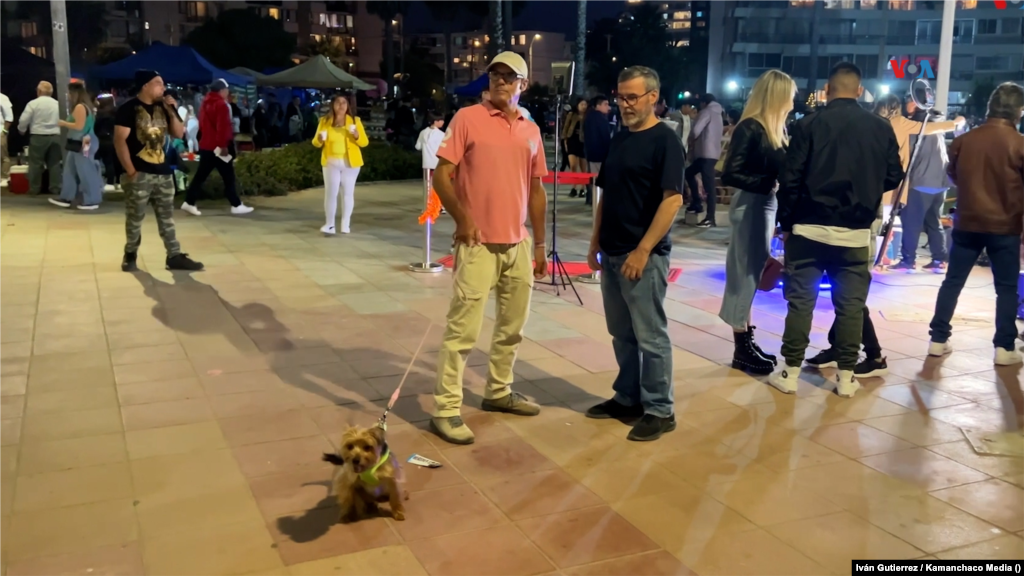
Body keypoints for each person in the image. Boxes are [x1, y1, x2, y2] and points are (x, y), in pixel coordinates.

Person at [429, 51, 549, 445]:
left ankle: (498, 391)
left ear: (523, 84)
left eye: (509, 76)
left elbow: (536, 190)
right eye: (494, 74)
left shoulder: (531, 131)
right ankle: (446, 408)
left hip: (517, 243)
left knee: (511, 328)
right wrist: (464, 220)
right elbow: (442, 175)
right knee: (462, 331)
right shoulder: (467, 119)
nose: (499, 81)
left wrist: (540, 244)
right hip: (478, 243)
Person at [772, 62, 904, 398]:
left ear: (827, 91)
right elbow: (893, 176)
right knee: (849, 305)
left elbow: (790, 181)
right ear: (859, 91)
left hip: (808, 229)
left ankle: (789, 372)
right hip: (856, 232)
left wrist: (785, 224)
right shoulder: (879, 127)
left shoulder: (807, 125)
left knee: (801, 303)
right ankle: (846, 376)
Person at [583, 66, 685, 442]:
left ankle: (660, 409)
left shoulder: (666, 141)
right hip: (611, 252)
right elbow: (606, 194)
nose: (623, 105)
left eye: (632, 97)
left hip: (643, 256)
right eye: (620, 97)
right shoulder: (620, 139)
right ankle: (627, 397)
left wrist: (643, 250)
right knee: (621, 333)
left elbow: (672, 200)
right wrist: (595, 242)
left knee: (650, 336)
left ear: (652, 97)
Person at [928, 82, 1024, 366]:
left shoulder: (964, 140)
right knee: (1006, 288)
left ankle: (938, 339)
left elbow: (954, 174)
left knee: (953, 282)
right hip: (1005, 226)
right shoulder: (1019, 144)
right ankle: (1004, 347)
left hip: (967, 221)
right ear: (1018, 111)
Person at [719, 70, 796, 376]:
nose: (794, 99)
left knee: (751, 272)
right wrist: (768, 183)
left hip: (763, 203)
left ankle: (746, 341)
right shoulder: (751, 128)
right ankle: (742, 346)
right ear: (777, 95)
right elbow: (729, 174)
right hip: (752, 204)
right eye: (789, 93)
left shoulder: (773, 128)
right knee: (746, 274)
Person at [114, 70, 203, 273]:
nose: (163, 87)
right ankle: (130, 255)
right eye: (158, 83)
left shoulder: (163, 108)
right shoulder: (129, 109)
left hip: (162, 172)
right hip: (139, 172)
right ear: (145, 85)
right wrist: (130, 170)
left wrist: (172, 109)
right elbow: (120, 140)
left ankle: (174, 255)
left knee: (166, 218)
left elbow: (179, 133)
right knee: (135, 218)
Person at [893, 94, 957, 273]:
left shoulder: (917, 125)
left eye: (908, 101)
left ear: (915, 103)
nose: (906, 105)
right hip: (941, 182)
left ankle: (908, 261)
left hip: (921, 180)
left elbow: (908, 153)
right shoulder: (937, 121)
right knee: (933, 221)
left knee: (911, 222)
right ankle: (939, 260)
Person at [180, 79, 254, 216]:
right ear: (222, 90)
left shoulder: (205, 103)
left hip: (206, 145)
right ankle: (236, 204)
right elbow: (222, 127)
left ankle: (189, 202)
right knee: (228, 175)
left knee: (202, 175)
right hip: (218, 147)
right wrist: (223, 145)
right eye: (226, 90)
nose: (228, 92)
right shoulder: (221, 105)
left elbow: (202, 125)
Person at [313, 93, 369, 235]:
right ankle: (330, 224)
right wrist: (319, 139)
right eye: (338, 102)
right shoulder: (324, 121)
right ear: (333, 105)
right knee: (331, 193)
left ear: (348, 106)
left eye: (344, 102)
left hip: (350, 163)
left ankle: (345, 224)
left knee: (347, 194)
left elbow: (364, 142)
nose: (341, 105)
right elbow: (315, 142)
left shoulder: (355, 121)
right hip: (331, 161)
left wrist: (357, 135)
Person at [49, 82, 103, 210]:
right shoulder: (87, 106)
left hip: (84, 143)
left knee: (86, 171)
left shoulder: (80, 107)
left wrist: (64, 123)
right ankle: (66, 197)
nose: (67, 96)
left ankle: (92, 200)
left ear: (74, 94)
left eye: (69, 93)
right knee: (70, 170)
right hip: (81, 143)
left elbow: (79, 126)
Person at [685, 93, 724, 228]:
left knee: (709, 186)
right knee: (689, 173)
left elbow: (696, 131)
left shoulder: (707, 112)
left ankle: (710, 217)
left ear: (703, 103)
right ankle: (697, 203)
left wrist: (690, 140)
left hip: (704, 154)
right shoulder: (718, 114)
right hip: (712, 153)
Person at [18, 81, 62, 196]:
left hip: (38, 136)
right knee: (55, 164)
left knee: (35, 164)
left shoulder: (33, 104)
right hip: (56, 136)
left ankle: (34, 189)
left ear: (39, 91)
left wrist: (21, 130)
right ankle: (55, 188)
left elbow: (24, 119)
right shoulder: (57, 104)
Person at [584, 95, 612, 206]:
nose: (608, 107)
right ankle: (597, 202)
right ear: (597, 106)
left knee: (594, 179)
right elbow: (606, 138)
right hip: (600, 154)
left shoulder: (589, 117)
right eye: (605, 104)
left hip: (591, 154)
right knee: (598, 180)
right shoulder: (601, 119)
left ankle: (591, 199)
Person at [562, 98, 589, 198]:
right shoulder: (571, 115)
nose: (583, 106)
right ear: (577, 105)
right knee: (573, 165)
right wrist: (565, 140)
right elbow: (566, 127)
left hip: (583, 142)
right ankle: (574, 187)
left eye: (585, 104)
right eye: (582, 104)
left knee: (583, 168)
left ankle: (583, 189)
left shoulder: (588, 116)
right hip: (572, 140)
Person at [94, 95, 119, 190]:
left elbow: (95, 128)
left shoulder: (99, 114)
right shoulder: (115, 113)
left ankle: (100, 182)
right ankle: (114, 182)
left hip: (100, 140)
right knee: (112, 162)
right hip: (113, 139)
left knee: (97, 162)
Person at [0, 89, 11, 188]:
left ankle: (4, 177)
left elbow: (9, 117)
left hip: (0, 131)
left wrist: (4, 132)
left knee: (3, 156)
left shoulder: (3, 98)